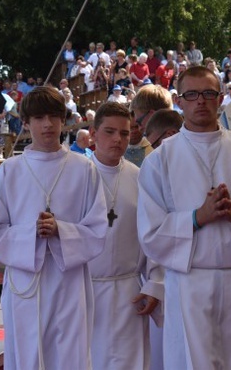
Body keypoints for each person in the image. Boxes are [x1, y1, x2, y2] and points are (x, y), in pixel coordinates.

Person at [137, 66, 231, 369]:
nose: (200, 101)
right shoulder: (160, 160)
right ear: (180, 101)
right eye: (191, 95)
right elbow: (150, 233)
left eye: (208, 93)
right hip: (190, 281)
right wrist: (197, 217)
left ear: (220, 98)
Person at [0, 86, 108, 369]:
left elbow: (98, 228)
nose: (48, 124)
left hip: (69, 279)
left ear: (63, 120)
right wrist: (31, 233)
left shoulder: (84, 169)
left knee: (68, 354)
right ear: (26, 122)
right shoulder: (9, 172)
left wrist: (61, 231)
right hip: (25, 278)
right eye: (39, 117)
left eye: (54, 116)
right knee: (27, 352)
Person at [88, 102, 164, 370]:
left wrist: (154, 284)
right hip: (83, 291)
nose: (118, 139)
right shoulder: (76, 176)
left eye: (124, 132)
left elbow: (153, 235)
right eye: (109, 132)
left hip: (128, 292)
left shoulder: (140, 178)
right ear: (92, 133)